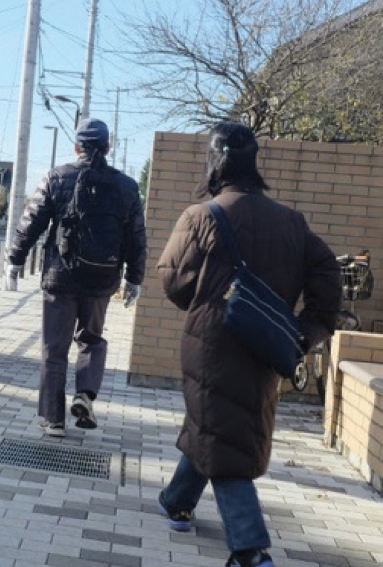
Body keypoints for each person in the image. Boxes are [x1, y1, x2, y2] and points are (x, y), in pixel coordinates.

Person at [156, 122, 341, 567]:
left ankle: (249, 549)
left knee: (224, 434)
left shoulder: (201, 215)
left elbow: (172, 281)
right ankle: (176, 501)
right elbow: (328, 275)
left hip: (212, 343)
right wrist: (307, 328)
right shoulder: (291, 222)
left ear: (214, 162)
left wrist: (207, 294)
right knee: (220, 423)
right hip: (267, 345)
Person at [6, 118, 146, 436]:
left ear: (76, 146)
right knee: (92, 340)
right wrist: (134, 279)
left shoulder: (56, 178)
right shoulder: (127, 187)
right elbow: (137, 237)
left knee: (54, 348)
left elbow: (31, 223)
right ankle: (85, 394)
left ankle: (53, 419)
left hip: (60, 277)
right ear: (108, 147)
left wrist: (15, 260)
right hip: (102, 279)